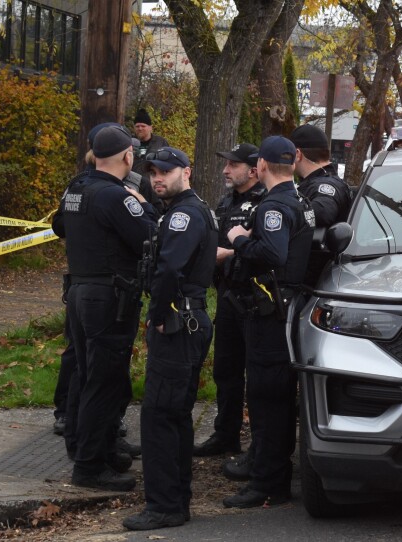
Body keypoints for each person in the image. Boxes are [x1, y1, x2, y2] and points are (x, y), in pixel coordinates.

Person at [53, 126, 158, 491]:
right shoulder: (117, 196)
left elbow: (59, 228)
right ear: (128, 156)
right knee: (106, 380)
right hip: (108, 297)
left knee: (86, 374)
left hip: (80, 292)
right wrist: (147, 207)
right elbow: (149, 238)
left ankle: (91, 448)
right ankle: (90, 466)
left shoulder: (77, 189)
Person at [122, 147, 217, 531]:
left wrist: (157, 316)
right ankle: (176, 499)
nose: (158, 178)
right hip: (189, 319)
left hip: (178, 322)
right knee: (175, 414)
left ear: (186, 172)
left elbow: (168, 271)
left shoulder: (183, 215)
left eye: (166, 171)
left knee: (160, 416)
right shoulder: (192, 209)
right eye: (153, 172)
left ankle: (165, 506)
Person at [221, 136, 314, 509]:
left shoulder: (273, 206)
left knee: (266, 398)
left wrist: (239, 240)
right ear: (293, 163)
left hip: (270, 313)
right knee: (276, 397)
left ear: (260, 166)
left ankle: (267, 483)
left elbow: (273, 253)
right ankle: (272, 477)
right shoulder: (300, 200)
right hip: (287, 309)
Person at [193, 143, 267, 458]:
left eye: (233, 165)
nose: (226, 170)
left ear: (253, 170)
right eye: (226, 164)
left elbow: (269, 249)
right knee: (225, 369)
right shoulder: (225, 203)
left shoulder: (265, 203)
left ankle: (260, 447)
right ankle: (226, 434)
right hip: (226, 294)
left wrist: (230, 253)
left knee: (259, 375)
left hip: (255, 298)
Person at [289, 124, 352, 286]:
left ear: (297, 154)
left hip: (318, 280)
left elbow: (323, 211)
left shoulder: (326, 185)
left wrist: (283, 211)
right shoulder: (312, 183)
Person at [131, 108, 167, 212]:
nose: (140, 128)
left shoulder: (160, 142)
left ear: (150, 127)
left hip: (155, 189)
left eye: (143, 126)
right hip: (134, 187)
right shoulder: (129, 143)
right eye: (137, 126)